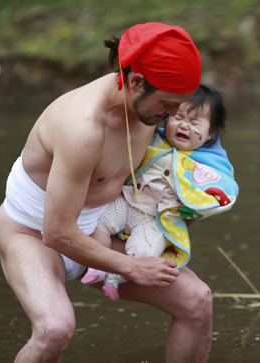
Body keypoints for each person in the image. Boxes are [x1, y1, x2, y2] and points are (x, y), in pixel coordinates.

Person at [0, 22, 214, 363]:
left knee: (197, 300)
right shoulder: (82, 127)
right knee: (55, 329)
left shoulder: (148, 109)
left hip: (96, 232)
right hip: (34, 234)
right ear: (136, 82)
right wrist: (132, 267)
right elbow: (57, 233)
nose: (171, 118)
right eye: (168, 105)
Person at [81, 84, 239, 300]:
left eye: (194, 122)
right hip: (127, 201)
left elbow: (222, 193)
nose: (184, 125)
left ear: (210, 133)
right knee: (97, 223)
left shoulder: (210, 165)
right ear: (167, 116)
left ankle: (114, 279)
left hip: (157, 221)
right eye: (179, 117)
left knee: (145, 253)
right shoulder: (151, 138)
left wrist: (191, 207)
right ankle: (99, 267)